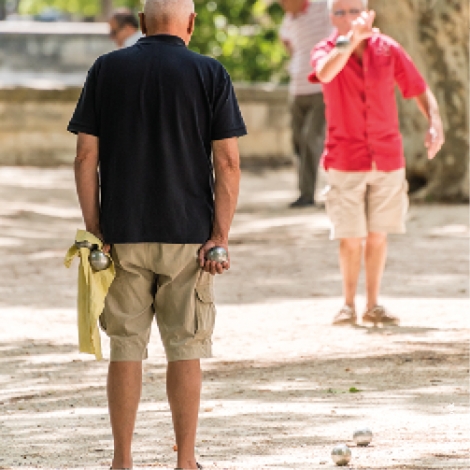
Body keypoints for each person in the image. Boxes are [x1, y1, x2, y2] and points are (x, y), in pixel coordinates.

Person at [67, 0, 247, 468]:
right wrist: (220, 235)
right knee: (185, 350)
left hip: (121, 236)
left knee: (125, 349)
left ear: (142, 23)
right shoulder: (211, 73)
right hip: (189, 238)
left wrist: (95, 232)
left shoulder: (106, 69)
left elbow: (86, 158)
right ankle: (185, 461)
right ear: (190, 23)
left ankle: (121, 462)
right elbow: (227, 162)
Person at [308, 0, 444, 326]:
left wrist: (434, 122)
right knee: (350, 237)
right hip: (344, 157)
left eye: (355, 11)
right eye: (339, 12)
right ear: (330, 17)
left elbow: (418, 88)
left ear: (368, 14)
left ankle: (373, 304)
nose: (348, 18)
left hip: (387, 156)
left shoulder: (388, 49)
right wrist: (349, 42)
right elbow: (326, 72)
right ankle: (347, 304)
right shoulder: (325, 49)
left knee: (379, 235)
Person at [279, 0, 331, 208]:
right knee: (298, 142)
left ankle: (307, 194)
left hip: (321, 89)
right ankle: (306, 190)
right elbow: (285, 40)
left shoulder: (323, 8)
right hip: (296, 89)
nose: (282, 5)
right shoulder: (288, 20)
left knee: (311, 138)